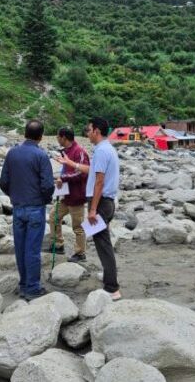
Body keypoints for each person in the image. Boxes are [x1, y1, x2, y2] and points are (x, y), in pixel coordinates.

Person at [59, 116, 122, 301]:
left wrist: (93, 209)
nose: (87, 133)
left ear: (97, 131)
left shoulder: (102, 151)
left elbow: (99, 181)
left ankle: (112, 288)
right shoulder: (106, 148)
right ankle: (109, 275)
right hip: (106, 202)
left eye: (88, 130)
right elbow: (92, 170)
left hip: (101, 202)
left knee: (103, 243)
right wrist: (71, 164)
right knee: (102, 240)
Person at [0, 120, 55, 300]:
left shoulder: (12, 153)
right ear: (41, 136)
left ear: (24, 134)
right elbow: (48, 185)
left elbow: (4, 181)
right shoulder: (41, 155)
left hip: (18, 207)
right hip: (35, 207)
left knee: (20, 248)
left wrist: (14, 195)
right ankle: (32, 288)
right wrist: (44, 199)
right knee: (32, 249)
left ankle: (24, 283)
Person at [49, 127, 90, 263]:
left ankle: (80, 253)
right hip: (65, 194)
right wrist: (62, 178)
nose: (57, 139)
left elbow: (82, 173)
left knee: (78, 227)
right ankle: (58, 245)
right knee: (53, 217)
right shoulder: (66, 151)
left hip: (77, 196)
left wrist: (63, 178)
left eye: (58, 136)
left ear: (64, 138)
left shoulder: (79, 151)